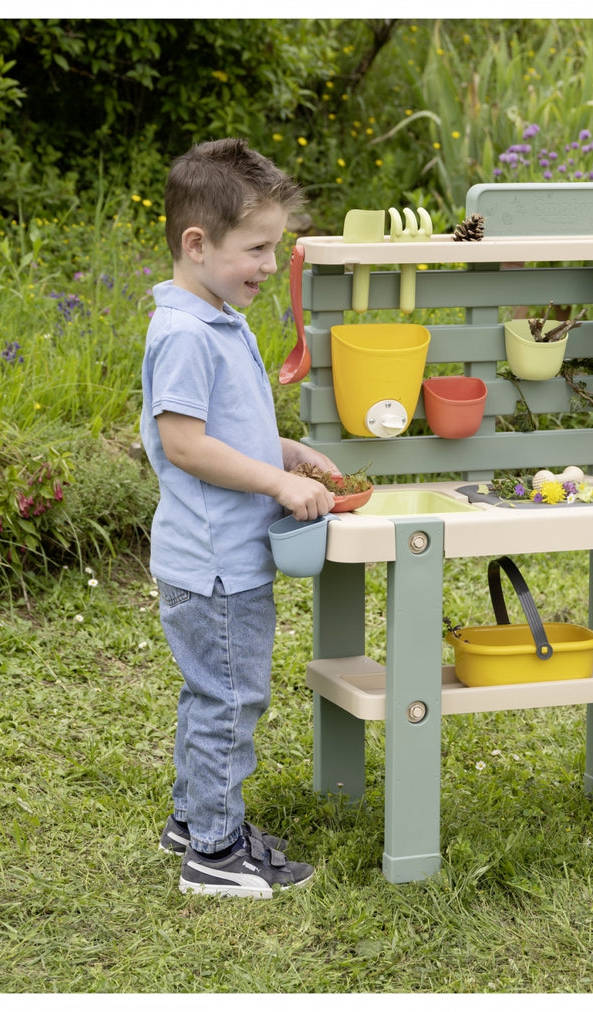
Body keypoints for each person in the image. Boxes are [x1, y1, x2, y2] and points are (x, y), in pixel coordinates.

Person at [141, 137, 339, 898]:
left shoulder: (215, 319)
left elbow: (222, 432)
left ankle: (193, 819)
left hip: (220, 558)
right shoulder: (187, 333)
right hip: (216, 564)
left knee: (212, 693)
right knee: (229, 700)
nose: (269, 264)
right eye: (256, 249)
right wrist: (278, 484)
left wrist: (286, 453)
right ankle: (215, 856)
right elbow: (184, 444)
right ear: (197, 244)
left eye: (274, 247)